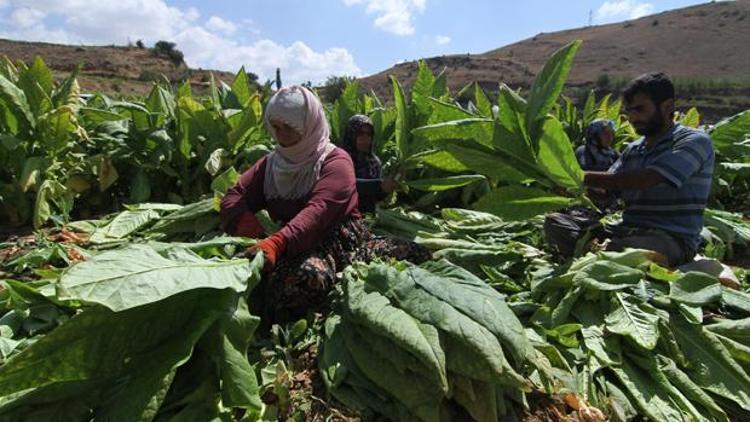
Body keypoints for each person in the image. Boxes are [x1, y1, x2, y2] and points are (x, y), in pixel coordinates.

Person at [220, 86, 429, 323]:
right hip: (293, 244)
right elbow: (234, 196)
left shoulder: (336, 160)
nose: (281, 136)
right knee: (299, 278)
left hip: (339, 243)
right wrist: (251, 228)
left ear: (309, 125)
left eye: (289, 128)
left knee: (416, 254)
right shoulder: (271, 164)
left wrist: (278, 242)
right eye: (276, 128)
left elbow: (318, 211)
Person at [546, 72, 715, 267]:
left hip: (670, 239)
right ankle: (602, 254)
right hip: (625, 230)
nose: (633, 117)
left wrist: (575, 175)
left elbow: (646, 179)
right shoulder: (634, 149)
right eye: (630, 111)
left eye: (640, 109)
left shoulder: (693, 141)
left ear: (667, 106)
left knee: (621, 250)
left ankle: (601, 254)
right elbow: (606, 190)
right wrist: (572, 189)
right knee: (555, 223)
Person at [341, 114, 398, 213]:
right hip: (343, 214)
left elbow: (376, 197)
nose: (365, 138)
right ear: (351, 134)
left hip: (367, 215)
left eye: (369, 134)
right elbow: (345, 185)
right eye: (360, 134)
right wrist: (379, 185)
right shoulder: (340, 159)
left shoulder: (374, 162)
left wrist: (386, 189)